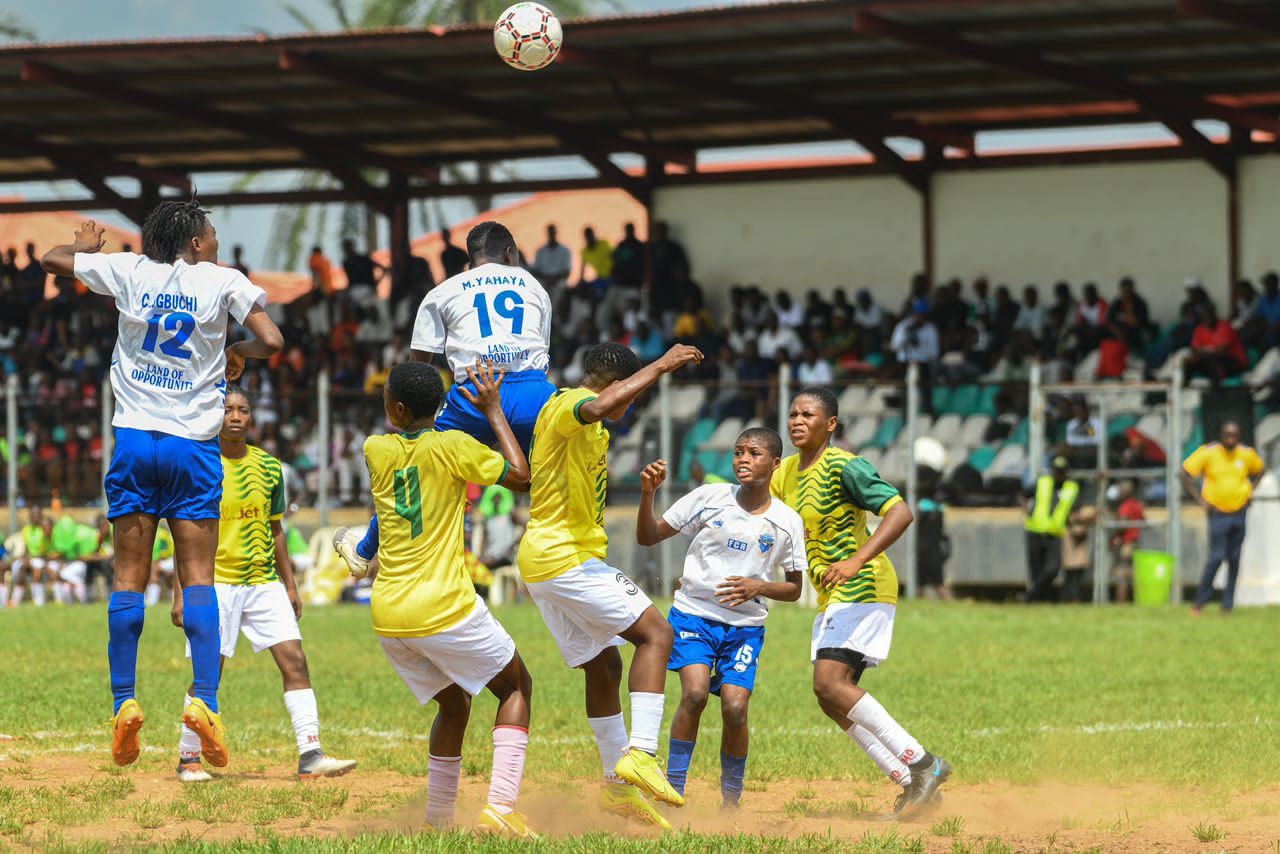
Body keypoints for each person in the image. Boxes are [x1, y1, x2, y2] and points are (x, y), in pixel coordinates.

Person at [40, 203, 284, 768]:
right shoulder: (223, 281)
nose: (219, 241)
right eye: (214, 233)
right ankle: (206, 701)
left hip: (132, 442)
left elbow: (54, 260)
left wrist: (86, 246)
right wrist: (236, 353)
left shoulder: (129, 270)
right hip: (191, 448)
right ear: (195, 243)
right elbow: (270, 339)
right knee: (200, 577)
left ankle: (124, 702)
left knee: (129, 578)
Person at [517, 342, 703, 828]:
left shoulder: (593, 429)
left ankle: (615, 788)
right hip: (565, 559)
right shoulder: (566, 406)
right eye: (631, 394)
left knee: (603, 666)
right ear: (612, 385)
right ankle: (640, 753)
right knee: (657, 636)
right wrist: (662, 365)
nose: (632, 406)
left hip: (549, 562)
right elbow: (597, 404)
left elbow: (592, 422)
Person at [357, 361, 537, 836]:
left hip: (390, 615)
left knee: (454, 704)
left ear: (395, 408)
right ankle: (499, 808)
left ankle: (438, 821)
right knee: (516, 688)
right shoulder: (455, 447)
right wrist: (494, 411)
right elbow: (522, 476)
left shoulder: (375, 449)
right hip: (444, 607)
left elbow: (414, 481)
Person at [333, 222, 555, 573]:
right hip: (532, 392)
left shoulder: (444, 291)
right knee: (566, 462)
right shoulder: (533, 285)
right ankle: (568, 554)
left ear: (470, 258)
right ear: (511, 253)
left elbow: (417, 367)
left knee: (412, 464)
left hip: (472, 395)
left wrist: (417, 423)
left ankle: (364, 552)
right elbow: (540, 350)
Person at [772, 387, 950, 817]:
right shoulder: (785, 474)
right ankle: (912, 783)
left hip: (864, 584)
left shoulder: (845, 467)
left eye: (808, 414)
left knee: (829, 684)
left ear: (830, 424)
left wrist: (855, 560)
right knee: (830, 698)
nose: (797, 420)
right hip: (832, 593)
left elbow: (900, 511)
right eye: (793, 413)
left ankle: (925, 764)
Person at [172, 387, 357, 783]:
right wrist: (180, 593)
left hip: (264, 582)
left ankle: (311, 753)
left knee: (295, 661)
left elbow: (277, 531)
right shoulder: (197, 466)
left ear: (252, 417)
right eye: (227, 409)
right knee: (209, 672)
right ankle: (188, 758)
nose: (235, 416)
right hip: (212, 584)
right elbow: (184, 536)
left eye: (243, 410)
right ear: (214, 416)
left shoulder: (271, 468)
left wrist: (290, 586)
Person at [635, 428, 806, 808]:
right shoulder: (710, 498)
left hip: (744, 630)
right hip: (694, 617)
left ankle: (731, 803)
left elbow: (794, 588)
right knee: (694, 694)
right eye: (739, 452)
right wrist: (648, 494)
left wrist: (758, 588)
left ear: (775, 464)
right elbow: (648, 537)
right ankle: (672, 793)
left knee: (735, 707)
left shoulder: (786, 521)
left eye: (755, 453)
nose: (743, 460)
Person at [1181, 421, 1264, 615]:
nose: (1230, 438)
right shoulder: (1209, 452)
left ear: (1239, 436)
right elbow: (1184, 473)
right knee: (1216, 557)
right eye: (1227, 434)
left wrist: (1250, 490)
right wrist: (1199, 499)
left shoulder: (1246, 454)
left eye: (1234, 435)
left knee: (1234, 558)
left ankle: (1227, 606)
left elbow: (1260, 470)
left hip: (1239, 511)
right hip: (1218, 513)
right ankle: (1200, 602)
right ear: (1221, 435)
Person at [1023, 457, 1079, 602]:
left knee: (1052, 569)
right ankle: (1040, 601)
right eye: (1056, 471)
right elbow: (1023, 494)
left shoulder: (1071, 488)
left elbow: (1072, 508)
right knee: (1036, 570)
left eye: (1062, 471)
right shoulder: (1042, 482)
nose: (1059, 474)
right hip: (1034, 530)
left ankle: (1030, 597)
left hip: (1054, 534)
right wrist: (1024, 509)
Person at [1109, 480, 1145, 603]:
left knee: (1121, 574)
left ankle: (1121, 602)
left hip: (1126, 543)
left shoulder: (1125, 506)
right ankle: (1134, 600)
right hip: (1135, 542)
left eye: (1121, 490)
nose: (1119, 491)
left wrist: (1113, 537)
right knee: (1132, 574)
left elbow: (1122, 525)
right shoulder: (1137, 504)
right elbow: (1143, 519)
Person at [533, 224, 572, 294]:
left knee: (557, 290)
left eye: (552, 232)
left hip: (559, 283)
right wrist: (546, 279)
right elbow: (536, 270)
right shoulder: (540, 251)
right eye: (550, 233)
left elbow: (567, 272)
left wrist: (553, 280)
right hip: (543, 282)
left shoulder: (565, 251)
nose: (551, 235)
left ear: (556, 233)